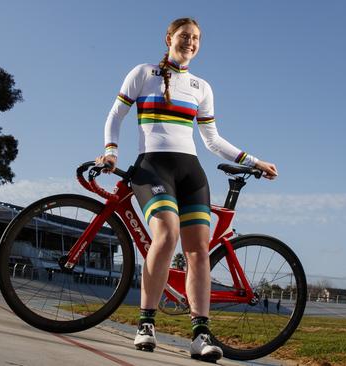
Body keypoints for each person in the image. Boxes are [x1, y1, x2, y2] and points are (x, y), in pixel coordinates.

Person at [97, 17, 278, 362]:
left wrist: (254, 161)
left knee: (198, 251)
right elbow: (115, 116)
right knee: (166, 235)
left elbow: (212, 140)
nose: (190, 42)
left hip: (191, 172)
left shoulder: (201, 87)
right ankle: (146, 324)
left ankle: (200, 334)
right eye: (184, 36)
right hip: (153, 168)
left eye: (196, 38)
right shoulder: (142, 73)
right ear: (169, 38)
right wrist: (110, 150)